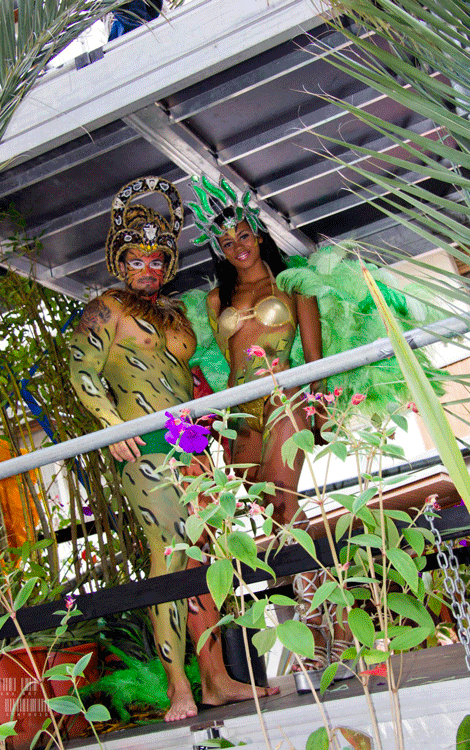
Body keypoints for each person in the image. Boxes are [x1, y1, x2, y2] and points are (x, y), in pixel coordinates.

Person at [69, 176, 278, 722]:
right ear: (119, 262)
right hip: (143, 446)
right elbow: (82, 372)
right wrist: (111, 425)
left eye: (158, 259)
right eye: (137, 259)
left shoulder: (176, 313)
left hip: (192, 443)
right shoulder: (105, 309)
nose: (149, 268)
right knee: (170, 556)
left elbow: (192, 377)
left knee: (207, 556)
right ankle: (178, 689)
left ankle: (216, 681)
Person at [183, 175, 352, 675]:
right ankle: (328, 626)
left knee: (285, 502)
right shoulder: (216, 300)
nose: (237, 246)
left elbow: (314, 356)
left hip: (284, 396)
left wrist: (319, 408)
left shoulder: (293, 282)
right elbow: (225, 361)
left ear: (258, 234)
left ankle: (318, 635)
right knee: (266, 516)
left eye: (243, 235)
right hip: (240, 412)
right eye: (226, 241)